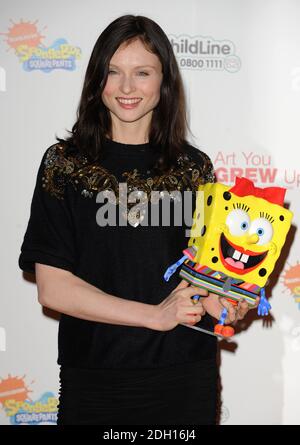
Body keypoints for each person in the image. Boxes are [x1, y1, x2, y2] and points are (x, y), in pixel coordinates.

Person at [18, 15, 251, 425]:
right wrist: (153, 315)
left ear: (163, 82)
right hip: (95, 374)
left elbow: (203, 274)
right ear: (96, 80)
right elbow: (52, 288)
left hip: (186, 375)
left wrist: (227, 303)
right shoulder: (65, 164)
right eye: (113, 72)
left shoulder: (194, 168)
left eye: (142, 73)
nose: (127, 88)